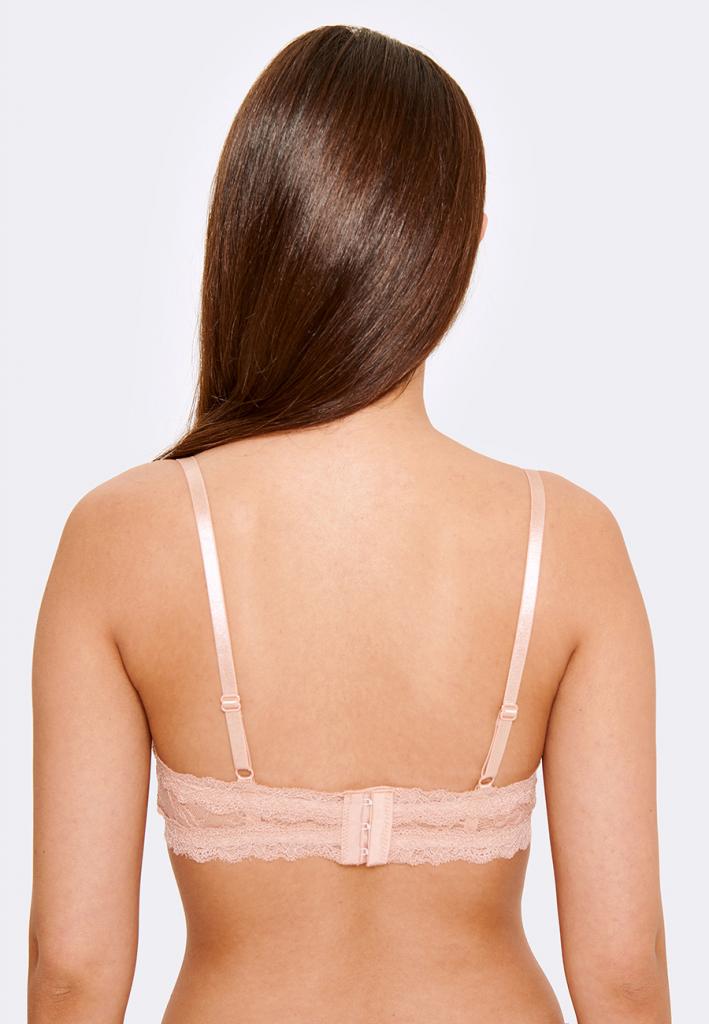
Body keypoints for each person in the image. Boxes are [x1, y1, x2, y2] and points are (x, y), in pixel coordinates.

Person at [28, 24, 671, 1024]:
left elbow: (72, 966)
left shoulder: (121, 536)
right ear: (462, 246)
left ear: (249, 233)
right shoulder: (570, 540)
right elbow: (623, 971)